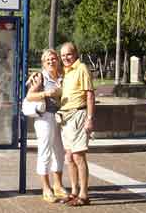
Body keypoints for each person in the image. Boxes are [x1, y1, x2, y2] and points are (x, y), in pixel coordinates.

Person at [26, 49, 67, 203]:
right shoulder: (40, 77)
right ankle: (46, 188)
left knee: (59, 152)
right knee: (45, 152)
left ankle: (58, 185)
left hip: (60, 117)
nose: (51, 61)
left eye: (54, 58)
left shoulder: (63, 75)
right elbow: (30, 96)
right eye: (48, 59)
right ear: (43, 62)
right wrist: (47, 94)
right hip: (45, 118)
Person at [58, 42, 95, 207]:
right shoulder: (66, 71)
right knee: (69, 156)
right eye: (63, 55)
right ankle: (74, 191)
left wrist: (89, 118)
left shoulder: (82, 68)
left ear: (75, 54)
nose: (65, 57)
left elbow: (90, 95)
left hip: (78, 116)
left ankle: (84, 194)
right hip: (66, 118)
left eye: (68, 54)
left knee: (78, 156)